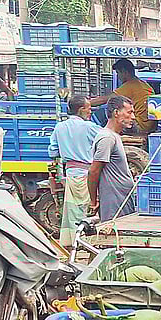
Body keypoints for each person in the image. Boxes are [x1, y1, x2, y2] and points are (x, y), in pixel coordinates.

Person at [48, 95, 101, 247]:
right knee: (90, 211)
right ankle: (90, 244)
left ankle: (74, 244)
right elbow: (105, 141)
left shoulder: (60, 127)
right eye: (89, 108)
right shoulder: (90, 127)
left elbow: (53, 152)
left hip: (71, 174)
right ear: (81, 110)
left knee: (72, 212)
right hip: (89, 174)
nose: (90, 111)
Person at [88, 95, 137, 223]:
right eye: (129, 112)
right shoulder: (107, 138)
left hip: (122, 199)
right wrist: (93, 201)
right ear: (116, 113)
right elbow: (94, 171)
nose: (133, 117)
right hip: (114, 202)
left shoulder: (114, 137)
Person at [91, 59, 154, 135]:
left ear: (124, 72)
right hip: (149, 126)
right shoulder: (143, 84)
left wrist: (87, 103)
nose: (118, 77)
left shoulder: (131, 85)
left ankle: (103, 135)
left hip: (139, 126)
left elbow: (106, 99)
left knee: (106, 113)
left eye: (118, 73)